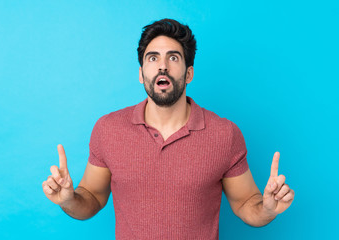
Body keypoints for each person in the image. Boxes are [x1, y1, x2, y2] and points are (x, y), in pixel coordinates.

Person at [42, 19, 295, 239]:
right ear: (142, 73)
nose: (162, 66)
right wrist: (69, 200)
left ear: (189, 74)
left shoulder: (225, 134)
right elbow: (93, 198)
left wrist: (268, 209)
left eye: (173, 57)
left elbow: (245, 203)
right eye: (153, 58)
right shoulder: (108, 130)